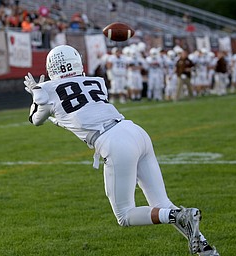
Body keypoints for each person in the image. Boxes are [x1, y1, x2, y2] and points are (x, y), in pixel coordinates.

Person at [24, 45, 220, 256]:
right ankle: (206, 250)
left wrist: (37, 94)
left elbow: (35, 120)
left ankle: (179, 217)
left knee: (125, 215)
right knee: (162, 203)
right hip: (133, 130)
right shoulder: (95, 81)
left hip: (113, 142)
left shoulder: (47, 90)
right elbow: (79, 108)